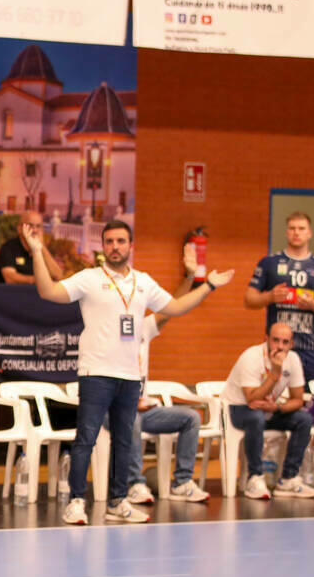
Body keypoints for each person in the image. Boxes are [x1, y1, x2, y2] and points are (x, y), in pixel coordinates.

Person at [25, 220, 233, 525]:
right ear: (103, 246)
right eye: (109, 241)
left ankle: (118, 502)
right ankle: (77, 502)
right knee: (87, 439)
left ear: (130, 246)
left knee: (125, 441)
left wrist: (208, 286)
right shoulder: (89, 279)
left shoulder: (143, 282)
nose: (115, 247)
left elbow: (175, 307)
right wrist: (35, 251)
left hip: (129, 377)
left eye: (121, 241)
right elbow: (48, 291)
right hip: (95, 372)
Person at [125, 249, 210, 505]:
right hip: (117, 410)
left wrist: (189, 276)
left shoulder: (143, 329)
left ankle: (182, 482)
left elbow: (172, 307)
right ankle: (135, 484)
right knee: (131, 420)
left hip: (146, 409)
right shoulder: (104, 334)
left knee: (191, 418)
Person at [221, 323, 314, 499]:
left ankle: (288, 479)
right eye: (276, 340)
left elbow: (297, 399)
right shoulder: (251, 357)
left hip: (269, 408)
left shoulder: (293, 359)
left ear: (291, 344)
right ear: (266, 339)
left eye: (285, 342)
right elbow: (251, 398)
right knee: (256, 418)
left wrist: (278, 407)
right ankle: (255, 477)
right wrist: (274, 374)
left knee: (303, 419)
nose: (280, 346)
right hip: (239, 409)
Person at [245, 212, 314, 382]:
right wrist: (269, 297)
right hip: (277, 346)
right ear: (286, 232)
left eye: (301, 228)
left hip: (310, 347)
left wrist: (312, 305)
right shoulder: (270, 263)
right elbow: (249, 300)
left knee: (307, 400)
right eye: (292, 228)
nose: (296, 232)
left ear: (309, 233)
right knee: (273, 393)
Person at [0, 211, 62, 285]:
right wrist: (39, 280)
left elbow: (58, 276)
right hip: (12, 294)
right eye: (30, 226)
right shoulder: (8, 248)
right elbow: (10, 278)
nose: (35, 230)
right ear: (20, 228)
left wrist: (41, 247)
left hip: (36, 295)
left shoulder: (43, 249)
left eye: (38, 226)